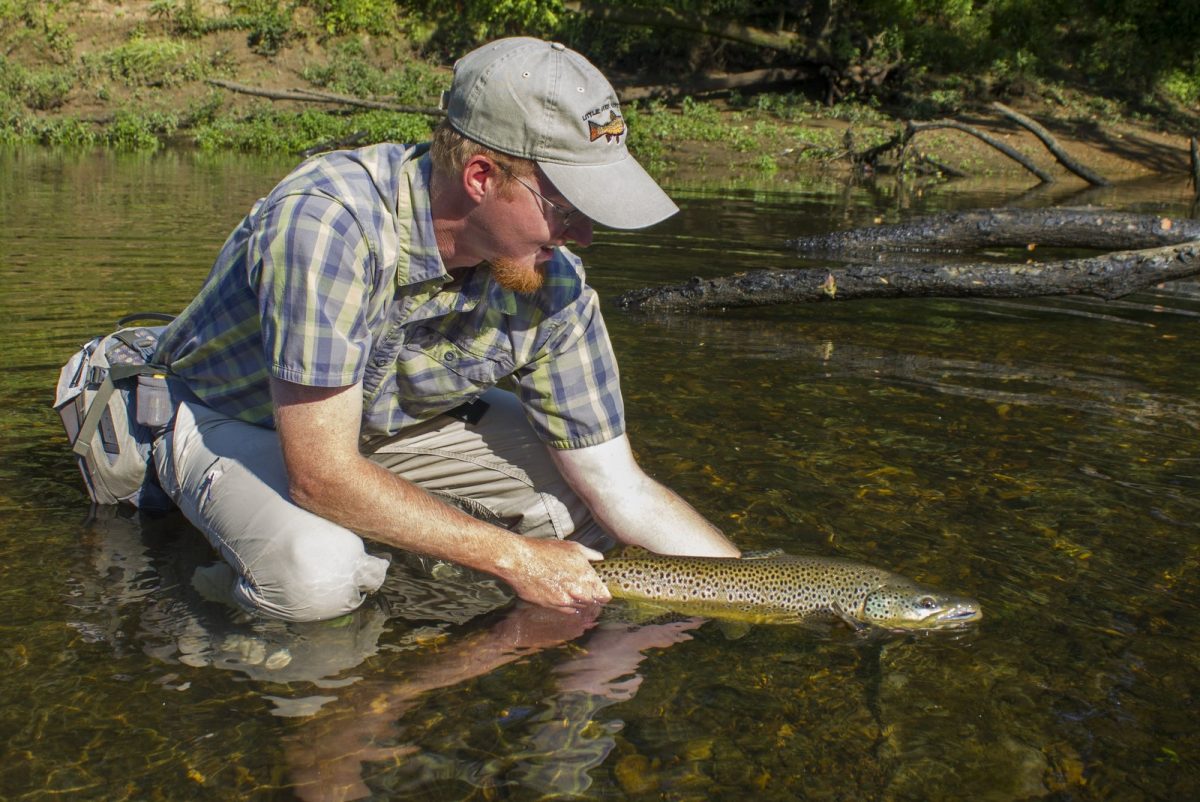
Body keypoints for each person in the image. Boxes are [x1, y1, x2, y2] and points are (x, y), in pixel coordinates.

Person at [150, 36, 740, 624]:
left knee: (574, 510)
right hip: (214, 413)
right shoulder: (331, 223)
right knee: (320, 575)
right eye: (569, 210)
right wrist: (516, 560)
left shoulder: (552, 286)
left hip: (361, 432)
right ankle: (199, 625)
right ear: (482, 177)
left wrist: (754, 592)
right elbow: (321, 476)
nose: (584, 236)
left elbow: (621, 488)